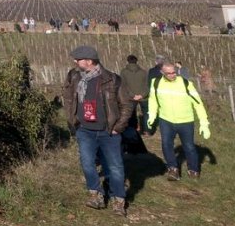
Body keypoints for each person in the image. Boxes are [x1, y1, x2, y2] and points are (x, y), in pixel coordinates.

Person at [63, 45, 131, 215]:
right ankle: (96, 194)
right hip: (84, 130)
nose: (75, 62)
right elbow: (69, 99)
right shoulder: (75, 77)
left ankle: (118, 200)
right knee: (87, 164)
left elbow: (126, 105)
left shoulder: (112, 80)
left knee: (115, 166)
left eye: (78, 59)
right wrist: (72, 121)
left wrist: (118, 127)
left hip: (108, 131)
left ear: (90, 61)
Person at [147, 62, 210, 180]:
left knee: (189, 146)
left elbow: (198, 104)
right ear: (162, 73)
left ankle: (193, 170)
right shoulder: (156, 83)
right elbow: (153, 100)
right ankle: (173, 169)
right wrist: (151, 115)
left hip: (185, 121)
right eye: (168, 73)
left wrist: (204, 122)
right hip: (166, 120)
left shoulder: (186, 83)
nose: (172, 75)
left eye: (173, 72)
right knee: (166, 145)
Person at [120, 54, 149, 134]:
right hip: (144, 97)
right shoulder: (144, 72)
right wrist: (142, 95)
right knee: (146, 114)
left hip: (130, 97)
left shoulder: (123, 72)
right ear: (137, 61)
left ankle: (134, 129)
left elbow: (123, 86)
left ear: (128, 61)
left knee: (132, 114)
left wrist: (132, 95)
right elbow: (147, 86)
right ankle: (146, 130)